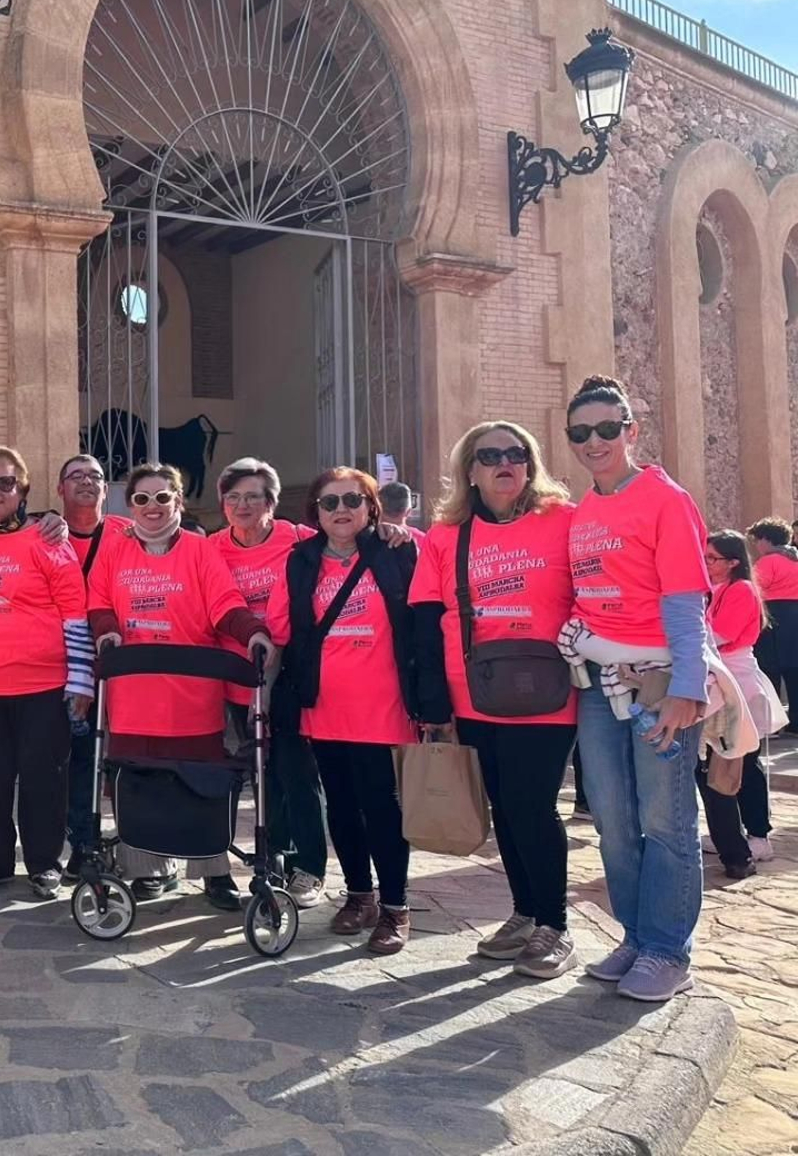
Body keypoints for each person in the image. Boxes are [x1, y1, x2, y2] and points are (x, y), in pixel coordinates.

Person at [411, 422, 580, 978]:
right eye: (490, 456)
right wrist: (434, 705)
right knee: (505, 809)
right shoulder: (445, 535)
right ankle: (525, 911)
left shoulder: (563, 520)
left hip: (547, 693)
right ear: (471, 472)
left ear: (530, 465)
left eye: (517, 453)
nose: (505, 463)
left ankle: (554, 923)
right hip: (474, 695)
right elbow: (424, 618)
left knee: (533, 805)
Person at [564, 374, 709, 1002]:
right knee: (614, 823)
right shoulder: (585, 508)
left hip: (659, 683)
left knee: (665, 820)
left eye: (606, 428)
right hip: (602, 685)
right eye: (580, 432)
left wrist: (686, 688)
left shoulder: (664, 498)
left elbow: (684, 603)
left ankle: (667, 949)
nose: (594, 442)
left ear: (631, 430)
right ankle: (636, 934)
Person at [87, 463, 271, 911]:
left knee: (200, 785)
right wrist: (108, 629)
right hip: (134, 694)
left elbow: (225, 601)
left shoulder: (199, 549)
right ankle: (149, 869)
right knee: (141, 786)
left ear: (178, 502)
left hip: (191, 694)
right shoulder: (114, 548)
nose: (152, 506)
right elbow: (98, 600)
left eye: (162, 497)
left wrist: (252, 632)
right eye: (142, 498)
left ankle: (213, 871)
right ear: (129, 505)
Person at [269, 467, 419, 955]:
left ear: (371, 508)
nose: (341, 510)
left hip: (382, 702)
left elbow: (422, 619)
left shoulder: (398, 552)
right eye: (330, 502)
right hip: (325, 701)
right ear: (315, 512)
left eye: (352, 500)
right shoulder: (301, 560)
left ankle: (396, 906)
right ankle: (359, 895)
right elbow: (282, 624)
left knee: (380, 805)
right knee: (341, 805)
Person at [0, 445, 94, 899]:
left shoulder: (49, 538)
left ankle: (44, 862)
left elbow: (74, 612)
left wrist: (81, 680)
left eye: (6, 482)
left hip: (41, 682)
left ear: (22, 488)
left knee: (42, 777)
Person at [208, 457, 328, 911]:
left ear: (271, 503)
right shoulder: (211, 547)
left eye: (253, 496)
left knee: (296, 772)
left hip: (289, 678)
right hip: (235, 679)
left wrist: (393, 533)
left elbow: (348, 550)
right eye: (233, 497)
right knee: (261, 777)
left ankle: (310, 867)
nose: (242, 505)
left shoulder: (298, 540)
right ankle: (271, 860)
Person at [56, 453, 130, 882]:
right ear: (61, 488)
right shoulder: (45, 533)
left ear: (106, 489)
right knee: (79, 759)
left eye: (95, 477)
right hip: (67, 666)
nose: (86, 482)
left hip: (121, 663)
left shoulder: (127, 533)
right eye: (76, 476)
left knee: (124, 757)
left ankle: (137, 850)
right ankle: (83, 846)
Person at [700, 530, 781, 875]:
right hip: (716, 677)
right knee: (718, 758)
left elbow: (720, 635)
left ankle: (759, 834)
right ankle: (730, 832)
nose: (706, 563)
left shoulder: (742, 590)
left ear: (733, 562)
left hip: (736, 678)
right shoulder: (712, 589)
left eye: (712, 559)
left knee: (744, 761)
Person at [748, 516, 798, 735]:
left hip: (774, 617)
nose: (756, 546)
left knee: (769, 670)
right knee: (794, 670)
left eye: (757, 540)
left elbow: (755, 588)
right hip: (794, 616)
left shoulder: (768, 562)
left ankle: (771, 723)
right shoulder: (794, 559)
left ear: (767, 540)